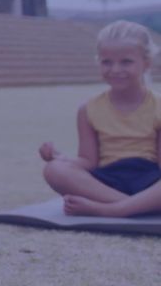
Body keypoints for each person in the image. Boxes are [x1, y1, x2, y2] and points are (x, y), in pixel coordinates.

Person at [39, 20, 161, 216]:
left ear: (146, 63)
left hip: (150, 180)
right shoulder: (88, 109)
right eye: (107, 62)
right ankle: (133, 207)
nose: (115, 69)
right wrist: (60, 159)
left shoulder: (158, 106)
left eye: (126, 61)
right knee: (54, 170)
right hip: (108, 182)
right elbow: (89, 161)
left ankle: (112, 210)